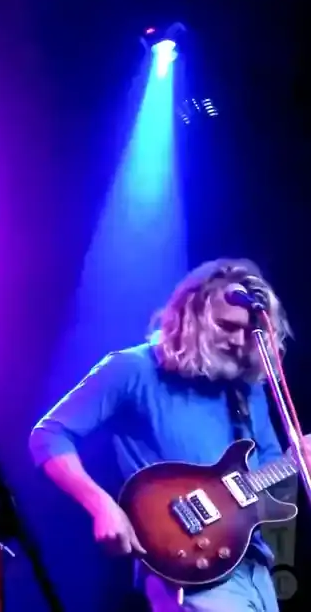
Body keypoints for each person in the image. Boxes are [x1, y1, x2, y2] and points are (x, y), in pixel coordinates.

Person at [29, 258, 311, 611]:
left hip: (251, 566)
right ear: (190, 315)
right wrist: (101, 504)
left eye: (246, 332)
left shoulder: (245, 387)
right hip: (185, 565)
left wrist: (295, 464)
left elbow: (265, 469)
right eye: (226, 327)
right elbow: (49, 434)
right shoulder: (132, 368)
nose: (239, 342)